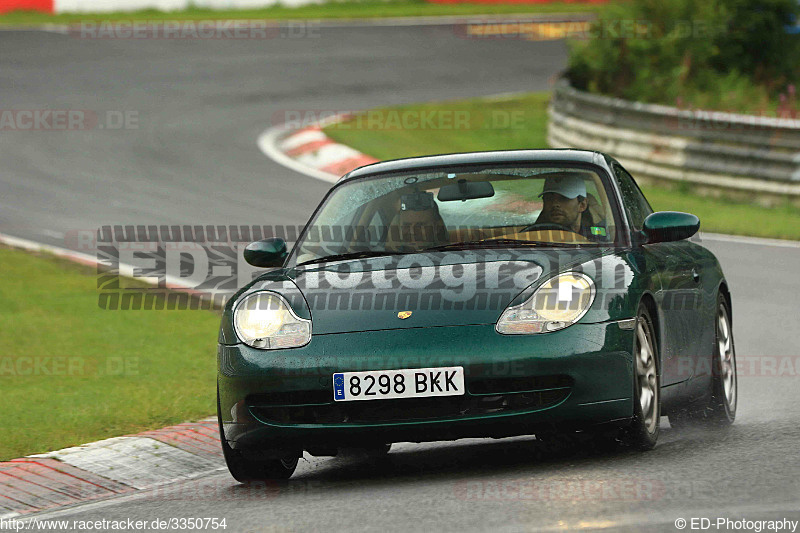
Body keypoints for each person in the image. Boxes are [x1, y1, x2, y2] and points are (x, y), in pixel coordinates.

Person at [532, 172, 603, 240]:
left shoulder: (598, 237)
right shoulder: (530, 237)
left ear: (582, 205)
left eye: (564, 198)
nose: (555, 204)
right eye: (549, 198)